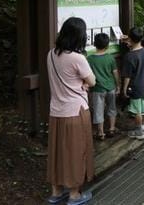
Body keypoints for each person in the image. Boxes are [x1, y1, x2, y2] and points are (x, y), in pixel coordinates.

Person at [46, 17, 95, 205]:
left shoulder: (50, 54)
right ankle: (74, 194)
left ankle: (56, 192)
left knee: (57, 151)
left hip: (56, 111)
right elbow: (92, 81)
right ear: (79, 37)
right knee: (76, 151)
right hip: (76, 112)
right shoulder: (77, 58)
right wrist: (83, 82)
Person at [121, 27, 144, 139]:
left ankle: (139, 131)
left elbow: (127, 76)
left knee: (137, 111)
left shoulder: (129, 56)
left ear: (130, 38)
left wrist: (124, 88)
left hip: (135, 87)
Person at [87, 33, 120, 140]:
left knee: (98, 110)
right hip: (111, 87)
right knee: (112, 108)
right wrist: (117, 85)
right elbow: (115, 73)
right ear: (107, 45)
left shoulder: (90, 59)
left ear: (94, 44)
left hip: (97, 88)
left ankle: (100, 132)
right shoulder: (110, 58)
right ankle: (111, 128)